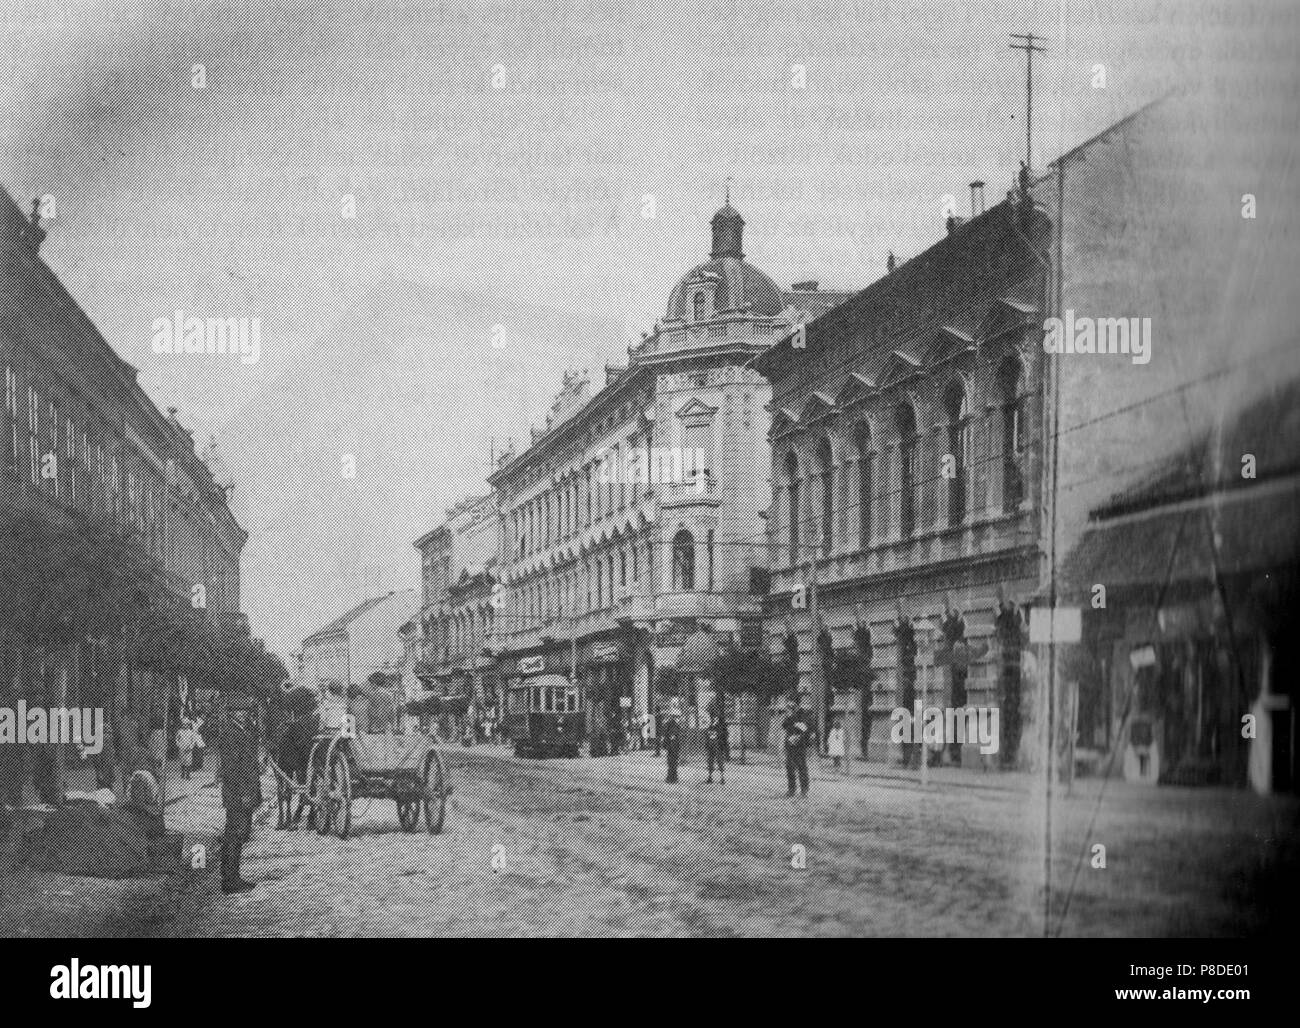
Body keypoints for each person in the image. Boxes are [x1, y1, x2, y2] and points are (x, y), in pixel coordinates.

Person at [217, 692, 261, 894]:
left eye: (244, 711)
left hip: (246, 790)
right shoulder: (230, 733)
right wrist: (244, 792)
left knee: (240, 834)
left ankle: (233, 876)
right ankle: (229, 879)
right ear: (231, 713)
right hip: (237, 792)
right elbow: (231, 768)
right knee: (234, 834)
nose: (242, 714)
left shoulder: (244, 730)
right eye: (238, 711)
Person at [782, 698, 814, 796]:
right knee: (790, 767)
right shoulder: (789, 718)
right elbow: (784, 725)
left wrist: (798, 733)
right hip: (790, 746)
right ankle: (792, 789)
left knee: (802, 767)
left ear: (795, 707)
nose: (787, 711)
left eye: (789, 708)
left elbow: (808, 729)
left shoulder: (803, 716)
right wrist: (789, 719)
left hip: (800, 746)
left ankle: (804, 790)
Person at [704, 701, 726, 785]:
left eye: (715, 718)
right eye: (712, 717)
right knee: (710, 761)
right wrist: (707, 744)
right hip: (710, 746)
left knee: (719, 761)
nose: (714, 719)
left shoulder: (720, 726)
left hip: (718, 746)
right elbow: (707, 735)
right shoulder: (709, 726)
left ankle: (722, 777)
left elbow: (724, 735)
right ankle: (710, 777)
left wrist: (722, 744)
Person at [662, 707, 682, 783]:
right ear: (675, 717)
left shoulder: (671, 724)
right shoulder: (673, 725)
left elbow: (667, 735)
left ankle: (671, 777)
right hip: (673, 747)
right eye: (678, 717)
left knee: (671, 763)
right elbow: (672, 737)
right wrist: (674, 749)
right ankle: (672, 778)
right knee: (673, 763)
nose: (679, 718)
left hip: (671, 747)